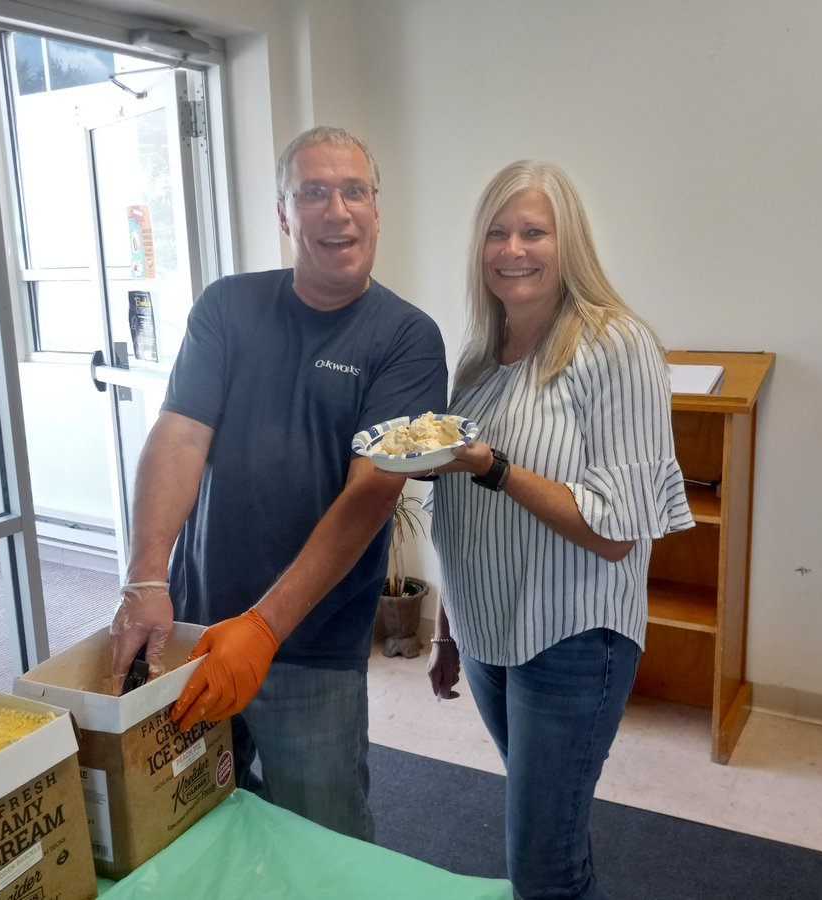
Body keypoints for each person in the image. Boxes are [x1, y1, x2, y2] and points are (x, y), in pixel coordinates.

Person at [107, 126, 448, 840]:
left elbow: (372, 493)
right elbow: (179, 435)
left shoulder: (406, 337)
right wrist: (145, 578)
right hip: (197, 631)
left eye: (354, 190)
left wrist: (264, 629)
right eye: (313, 192)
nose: (337, 210)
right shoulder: (227, 308)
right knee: (194, 830)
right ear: (284, 213)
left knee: (321, 846)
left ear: (377, 211)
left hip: (311, 652)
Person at [426, 160, 694, 899]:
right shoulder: (481, 358)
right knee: (553, 832)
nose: (514, 249)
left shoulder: (615, 344)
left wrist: (496, 467)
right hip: (489, 637)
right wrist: (448, 630)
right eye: (497, 233)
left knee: (541, 863)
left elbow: (618, 530)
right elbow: (461, 508)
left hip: (570, 637)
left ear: (567, 241)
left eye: (533, 231)